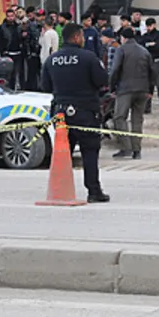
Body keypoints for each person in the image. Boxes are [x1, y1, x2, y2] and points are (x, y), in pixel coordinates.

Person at [40, 22, 110, 203]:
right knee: (89, 151)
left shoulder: (52, 59)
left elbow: (45, 86)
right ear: (77, 37)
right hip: (86, 111)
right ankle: (94, 191)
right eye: (83, 37)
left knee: (63, 154)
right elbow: (102, 80)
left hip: (61, 113)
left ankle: (60, 190)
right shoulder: (88, 58)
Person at [109, 27, 153, 160]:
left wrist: (112, 87)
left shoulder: (121, 50)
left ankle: (126, 147)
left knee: (119, 117)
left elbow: (115, 69)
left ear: (123, 38)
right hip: (143, 90)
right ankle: (136, 150)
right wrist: (150, 90)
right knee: (137, 120)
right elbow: (152, 72)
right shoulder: (144, 51)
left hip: (125, 89)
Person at [140, 18, 159, 113]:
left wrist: (150, 45)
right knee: (148, 86)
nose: (149, 28)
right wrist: (151, 44)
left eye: (150, 26)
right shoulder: (145, 36)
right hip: (147, 63)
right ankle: (147, 107)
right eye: (147, 26)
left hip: (157, 62)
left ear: (154, 25)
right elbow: (142, 47)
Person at [0, 7, 26, 90]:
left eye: (12, 16)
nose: (10, 18)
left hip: (18, 53)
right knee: (8, 75)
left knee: (19, 73)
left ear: (14, 16)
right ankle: (9, 89)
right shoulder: (2, 28)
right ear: (6, 17)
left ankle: (20, 89)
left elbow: (22, 39)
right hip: (7, 54)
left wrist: (23, 36)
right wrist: (2, 52)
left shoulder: (19, 27)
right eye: (8, 16)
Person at [24, 10, 44, 90]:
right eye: (37, 15)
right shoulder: (31, 26)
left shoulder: (47, 26)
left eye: (41, 16)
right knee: (32, 73)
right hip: (33, 53)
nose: (39, 18)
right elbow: (27, 40)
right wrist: (29, 52)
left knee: (42, 73)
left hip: (43, 53)